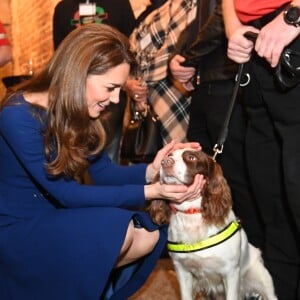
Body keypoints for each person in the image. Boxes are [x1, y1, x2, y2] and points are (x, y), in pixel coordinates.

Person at [0, 23, 205, 299]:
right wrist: (152, 191)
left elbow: (104, 174)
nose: (116, 99)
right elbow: (66, 193)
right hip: (17, 228)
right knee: (113, 226)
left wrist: (152, 172)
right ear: (79, 73)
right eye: (111, 87)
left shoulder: (75, 114)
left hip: (53, 216)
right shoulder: (17, 114)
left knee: (148, 234)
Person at [169, 0, 264, 249]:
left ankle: (251, 257)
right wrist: (179, 59)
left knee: (235, 179)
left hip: (229, 82)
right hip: (208, 83)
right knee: (203, 177)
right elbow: (197, 25)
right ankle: (212, 251)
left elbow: (223, 17)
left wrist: (188, 59)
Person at [222, 0, 300, 299]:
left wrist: (294, 15)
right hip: (258, 43)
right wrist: (234, 29)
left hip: (289, 26)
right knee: (270, 198)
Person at [53, 0, 136, 163]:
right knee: (72, 155)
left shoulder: (119, 4)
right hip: (74, 94)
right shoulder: (63, 8)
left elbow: (130, 47)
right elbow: (60, 52)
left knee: (108, 154)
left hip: (109, 94)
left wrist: (125, 82)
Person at [125, 0, 198, 144]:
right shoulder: (146, 12)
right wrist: (130, 84)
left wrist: (142, 84)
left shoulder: (188, 4)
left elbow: (173, 48)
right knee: (143, 155)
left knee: (175, 156)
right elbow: (129, 54)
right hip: (140, 101)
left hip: (173, 94)